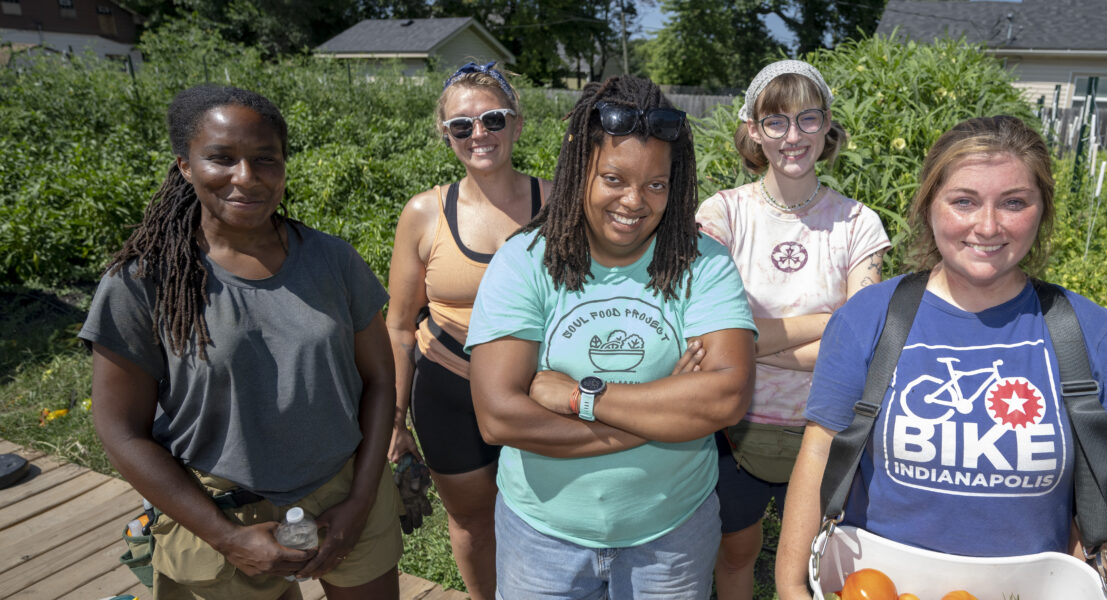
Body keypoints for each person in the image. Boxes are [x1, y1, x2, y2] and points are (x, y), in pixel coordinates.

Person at [774, 116, 1107, 599]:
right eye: (964, 201)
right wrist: (792, 585)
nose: (987, 226)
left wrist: (1081, 582)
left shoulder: (1086, 332)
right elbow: (820, 452)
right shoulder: (870, 317)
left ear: (1041, 210)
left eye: (1014, 202)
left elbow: (1106, 482)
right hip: (877, 587)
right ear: (929, 207)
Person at [81, 84, 401, 599]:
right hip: (219, 508)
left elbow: (380, 381)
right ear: (185, 165)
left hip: (344, 490)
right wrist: (227, 538)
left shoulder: (333, 261)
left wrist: (361, 500)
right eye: (221, 159)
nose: (245, 178)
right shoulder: (144, 282)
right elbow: (120, 431)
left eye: (264, 159)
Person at [466, 74, 757, 599]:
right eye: (614, 179)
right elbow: (498, 415)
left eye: (656, 184)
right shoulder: (525, 261)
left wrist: (579, 396)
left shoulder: (702, 264)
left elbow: (727, 395)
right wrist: (659, 419)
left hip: (671, 539)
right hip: (542, 538)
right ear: (581, 172)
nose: (634, 201)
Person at [695, 59, 890, 600]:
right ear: (754, 131)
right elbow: (703, 334)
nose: (793, 136)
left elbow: (863, 348)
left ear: (828, 125)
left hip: (824, 429)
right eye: (776, 122)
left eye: (808, 119)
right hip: (734, 425)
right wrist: (827, 324)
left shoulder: (857, 224)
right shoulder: (722, 216)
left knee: (817, 565)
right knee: (735, 552)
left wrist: (747, 344)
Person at [384, 61, 551, 599]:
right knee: (474, 524)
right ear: (446, 134)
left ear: (517, 125)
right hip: (447, 391)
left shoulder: (559, 205)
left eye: (493, 119)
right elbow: (400, 326)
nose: (479, 134)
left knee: (548, 520)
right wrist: (393, 421)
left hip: (538, 390)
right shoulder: (424, 213)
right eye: (462, 125)